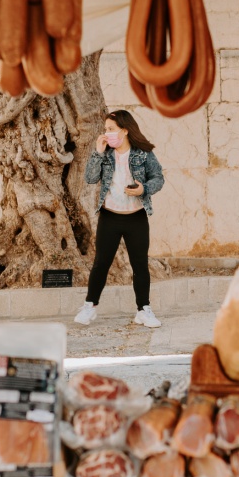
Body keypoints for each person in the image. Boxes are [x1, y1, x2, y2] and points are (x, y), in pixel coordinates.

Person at [75, 110, 165, 327]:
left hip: (136, 218)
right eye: (106, 129)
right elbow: (89, 178)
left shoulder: (143, 154)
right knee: (101, 264)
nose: (107, 133)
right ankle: (90, 306)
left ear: (124, 131)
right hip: (109, 217)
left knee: (140, 265)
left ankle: (144, 310)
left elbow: (159, 178)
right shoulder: (104, 153)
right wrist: (97, 152)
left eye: (111, 129)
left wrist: (144, 189)